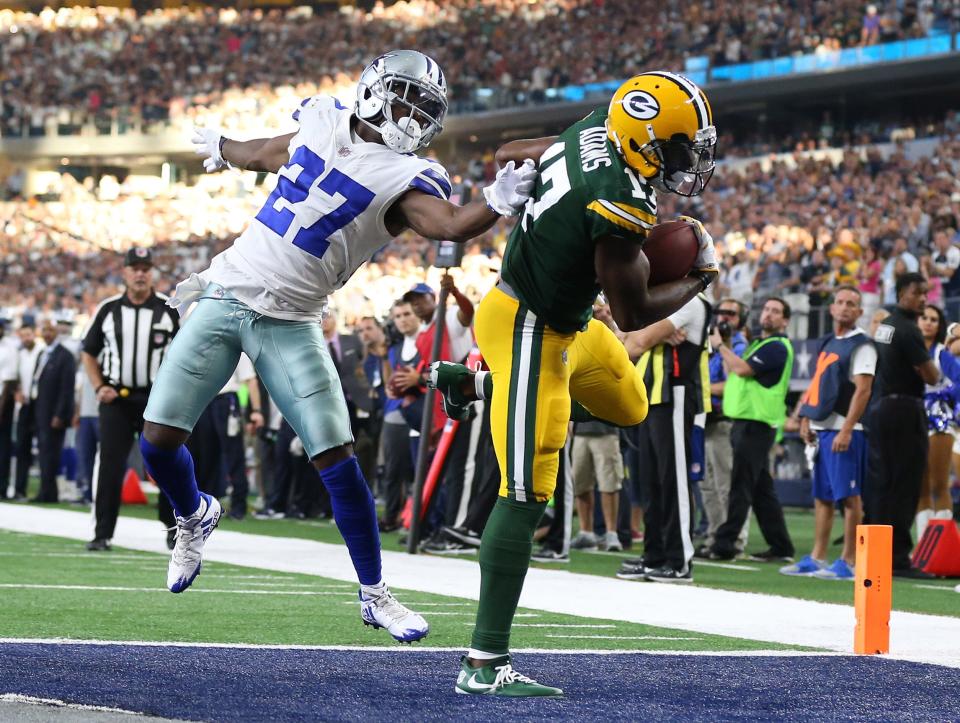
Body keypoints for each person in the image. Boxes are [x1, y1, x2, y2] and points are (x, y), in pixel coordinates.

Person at [137, 50, 536, 646]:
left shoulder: (408, 177)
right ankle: (194, 514)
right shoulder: (323, 121)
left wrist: (495, 205)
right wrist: (226, 147)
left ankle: (375, 593)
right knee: (158, 442)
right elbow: (270, 153)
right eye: (406, 98)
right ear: (375, 91)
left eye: (425, 108)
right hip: (226, 294)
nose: (413, 115)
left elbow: (448, 223)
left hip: (292, 321)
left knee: (336, 458)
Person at [429, 71, 719, 695]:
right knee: (527, 489)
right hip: (528, 327)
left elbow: (510, 151)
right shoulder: (619, 200)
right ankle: (483, 663)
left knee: (631, 404)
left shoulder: (596, 128)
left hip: (567, 319)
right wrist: (702, 275)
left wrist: (513, 181)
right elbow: (639, 312)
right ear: (645, 140)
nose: (686, 160)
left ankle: (472, 387)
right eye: (677, 145)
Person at [81, 247, 178, 550]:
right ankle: (102, 533)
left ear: (153, 273)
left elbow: (185, 354)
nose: (140, 273)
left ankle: (174, 526)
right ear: (124, 272)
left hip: (156, 400)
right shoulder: (108, 309)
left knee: (167, 462)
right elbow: (88, 352)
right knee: (110, 464)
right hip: (117, 400)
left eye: (146, 268)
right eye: (134, 268)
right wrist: (99, 387)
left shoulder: (169, 308)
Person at [616, 293, 712, 583]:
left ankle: (679, 560)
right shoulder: (663, 306)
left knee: (673, 480)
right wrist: (651, 332)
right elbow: (626, 340)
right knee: (650, 482)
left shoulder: (691, 302)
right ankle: (654, 555)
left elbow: (635, 344)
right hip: (652, 397)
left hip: (675, 395)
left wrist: (644, 334)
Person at [783, 286, 874, 580]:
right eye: (840, 302)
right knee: (822, 496)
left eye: (852, 303)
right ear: (832, 308)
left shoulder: (863, 345)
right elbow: (817, 382)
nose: (845, 307)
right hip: (822, 428)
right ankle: (818, 556)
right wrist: (806, 418)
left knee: (849, 497)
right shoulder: (828, 341)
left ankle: (849, 561)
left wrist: (846, 429)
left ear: (860, 312)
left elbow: (863, 391)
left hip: (845, 430)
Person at [708, 297, 795, 563]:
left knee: (741, 485)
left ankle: (725, 543)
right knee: (760, 490)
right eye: (766, 309)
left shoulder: (776, 347)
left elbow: (743, 370)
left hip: (755, 425)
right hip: (748, 422)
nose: (768, 314)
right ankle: (781, 546)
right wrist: (727, 347)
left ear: (785, 320)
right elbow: (733, 370)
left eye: (775, 311)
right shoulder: (760, 343)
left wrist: (720, 345)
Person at [870, 272, 940, 578]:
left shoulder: (885, 325)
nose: (924, 298)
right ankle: (898, 557)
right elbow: (932, 376)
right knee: (906, 482)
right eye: (918, 293)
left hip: (883, 406)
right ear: (902, 295)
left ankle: (877, 552)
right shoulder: (909, 330)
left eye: (926, 293)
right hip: (905, 409)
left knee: (885, 483)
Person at [697, 298, 749, 559]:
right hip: (705, 419)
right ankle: (715, 537)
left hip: (723, 420)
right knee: (707, 485)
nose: (723, 317)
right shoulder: (708, 341)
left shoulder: (737, 344)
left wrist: (700, 389)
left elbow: (732, 383)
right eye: (720, 312)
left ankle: (735, 540)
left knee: (726, 484)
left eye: (731, 313)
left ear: (741, 319)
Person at [915, 304, 960, 538]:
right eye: (924, 317)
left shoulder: (942, 353)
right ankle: (924, 547)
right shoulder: (909, 349)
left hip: (939, 420)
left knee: (939, 485)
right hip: (913, 419)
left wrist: (945, 396)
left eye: (933, 319)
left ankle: (942, 547)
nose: (928, 322)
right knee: (920, 488)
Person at [28, 318, 77, 503]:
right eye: (44, 330)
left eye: (50, 330)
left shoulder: (65, 356)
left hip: (53, 414)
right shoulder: (43, 353)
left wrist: (60, 414)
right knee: (43, 452)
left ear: (56, 332)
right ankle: (46, 490)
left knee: (50, 453)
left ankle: (49, 493)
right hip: (40, 410)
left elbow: (67, 389)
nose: (47, 334)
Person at [12, 323, 42, 501]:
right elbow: (15, 377)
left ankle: (43, 491)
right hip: (24, 406)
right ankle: (19, 489)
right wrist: (17, 391)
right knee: (22, 448)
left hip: (39, 405)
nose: (26, 338)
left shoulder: (42, 352)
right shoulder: (19, 354)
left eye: (28, 335)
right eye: (23, 336)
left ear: (34, 334)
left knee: (43, 448)